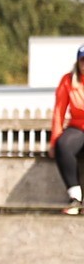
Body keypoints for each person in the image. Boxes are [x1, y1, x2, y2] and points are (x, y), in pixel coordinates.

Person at [49, 44, 84, 215]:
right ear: (78, 62)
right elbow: (59, 112)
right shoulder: (68, 81)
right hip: (78, 127)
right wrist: (54, 141)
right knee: (63, 145)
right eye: (83, 60)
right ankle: (75, 197)